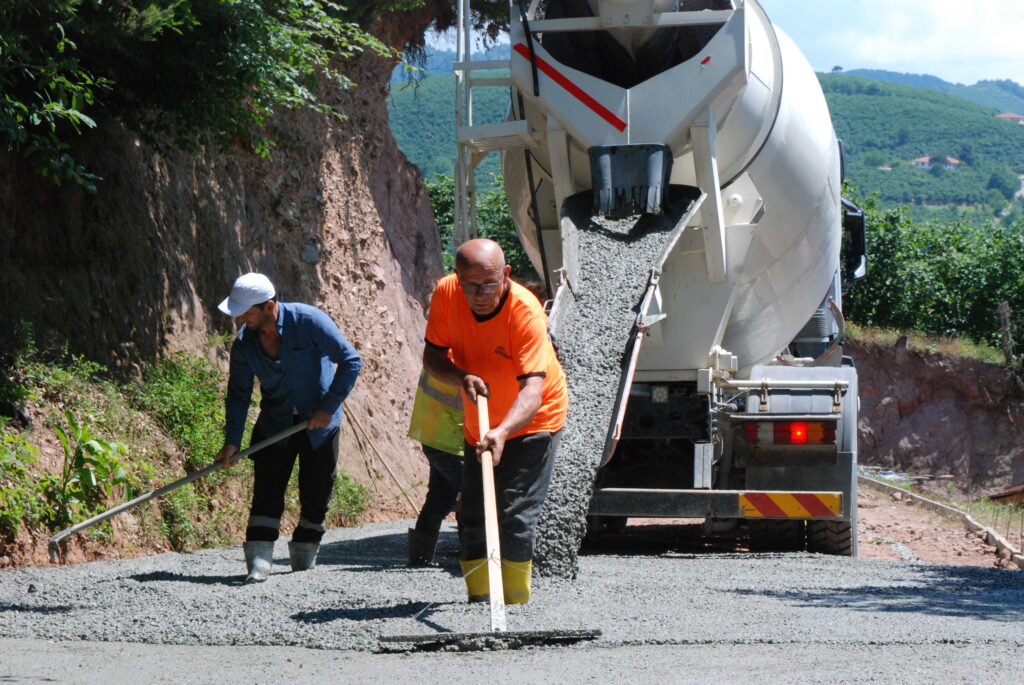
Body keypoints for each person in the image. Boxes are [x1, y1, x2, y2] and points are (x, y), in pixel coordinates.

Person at [422, 239, 567, 604]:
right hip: (482, 423)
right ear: (458, 277)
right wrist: (460, 377)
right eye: (470, 285)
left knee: (514, 511)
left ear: (505, 274)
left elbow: (533, 391)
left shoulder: (524, 311)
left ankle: (514, 602)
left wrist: (503, 431)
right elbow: (433, 357)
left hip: (534, 420)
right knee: (472, 512)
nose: (479, 295)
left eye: (489, 284)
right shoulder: (446, 294)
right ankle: (480, 599)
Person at [214, 272, 362, 583]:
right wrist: (232, 441)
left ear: (269, 307)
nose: (240, 318)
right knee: (266, 492)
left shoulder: (309, 321)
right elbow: (239, 395)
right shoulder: (244, 344)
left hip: (319, 425)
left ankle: (304, 555)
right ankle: (259, 563)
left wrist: (328, 407)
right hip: (275, 424)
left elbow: (351, 360)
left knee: (316, 494)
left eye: (246, 312)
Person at [405, 368, 464, 567]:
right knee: (477, 496)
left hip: (436, 434)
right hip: (449, 437)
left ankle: (420, 557)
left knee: (440, 497)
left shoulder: (442, 354)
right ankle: (477, 557)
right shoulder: (456, 358)